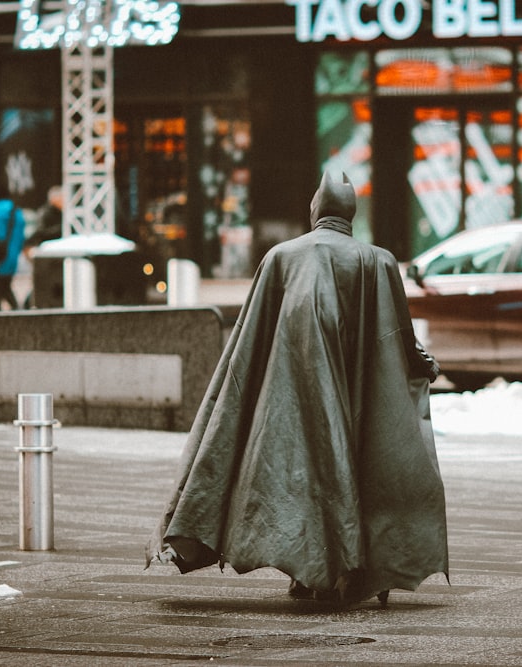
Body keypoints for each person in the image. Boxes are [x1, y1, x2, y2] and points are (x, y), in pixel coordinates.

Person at [146, 171, 449, 605]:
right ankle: (358, 569)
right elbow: (400, 336)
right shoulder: (378, 260)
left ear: (315, 210)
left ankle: (307, 572)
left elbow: (250, 335)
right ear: (350, 213)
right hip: (359, 391)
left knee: (300, 476)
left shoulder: (281, 258)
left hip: (290, 395)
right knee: (362, 468)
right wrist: (425, 365)